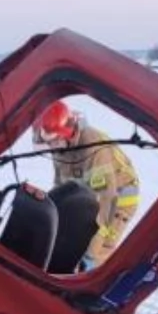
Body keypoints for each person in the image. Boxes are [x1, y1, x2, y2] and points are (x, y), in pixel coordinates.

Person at [32, 100, 140, 270]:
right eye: (49, 141)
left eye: (54, 141)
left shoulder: (93, 148)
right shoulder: (60, 146)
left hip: (117, 200)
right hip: (90, 193)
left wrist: (91, 255)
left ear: (66, 133)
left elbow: (106, 201)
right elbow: (61, 184)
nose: (51, 146)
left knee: (97, 250)